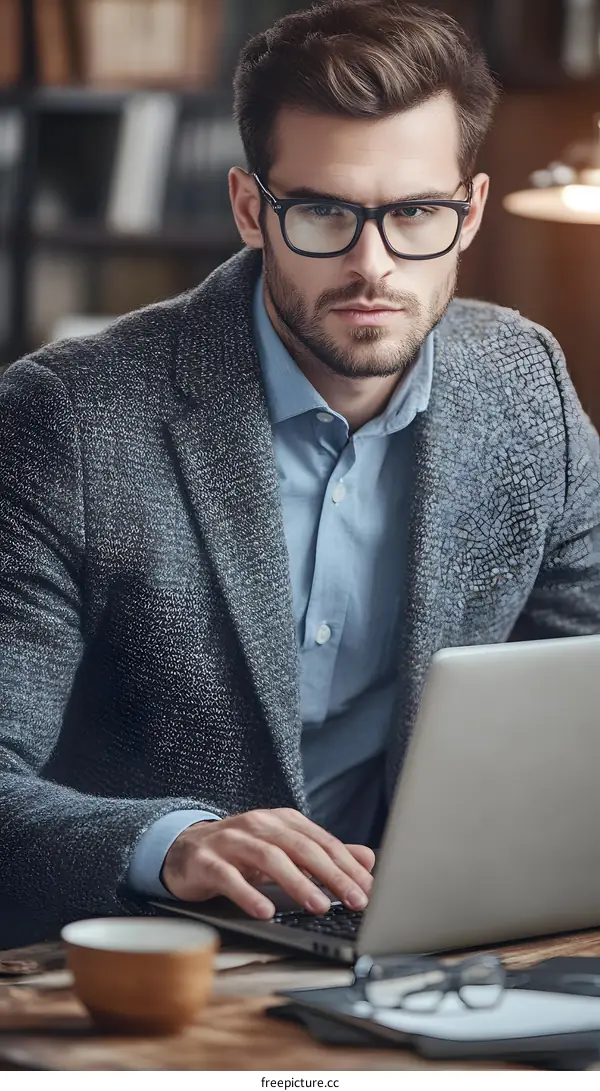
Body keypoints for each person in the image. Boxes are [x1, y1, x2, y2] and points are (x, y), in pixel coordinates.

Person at [1, 0, 599, 949]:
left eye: (415, 214)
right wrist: (172, 840)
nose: (373, 266)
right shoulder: (65, 417)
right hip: (158, 965)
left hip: (447, 944)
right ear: (250, 208)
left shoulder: (524, 385)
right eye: (323, 210)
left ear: (471, 211)